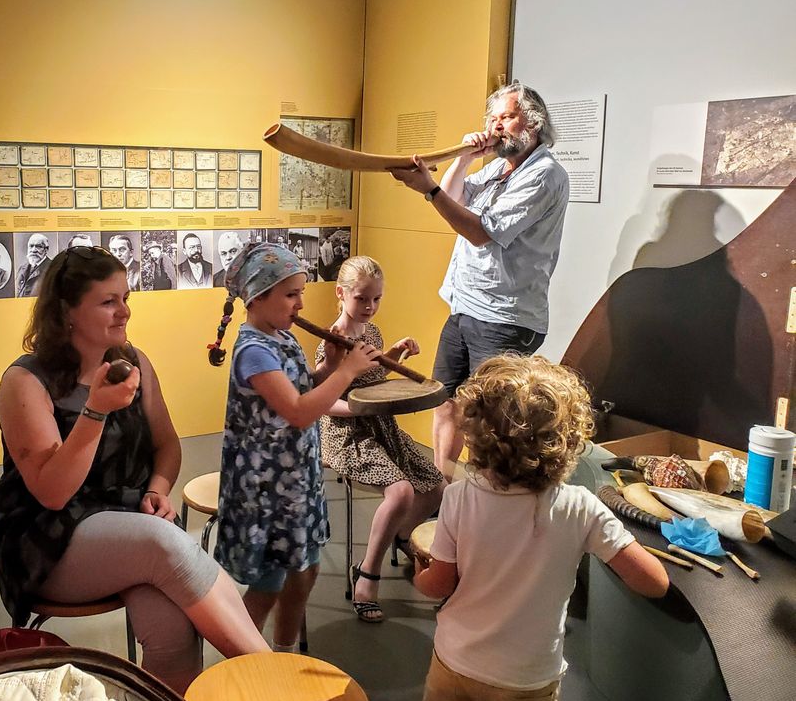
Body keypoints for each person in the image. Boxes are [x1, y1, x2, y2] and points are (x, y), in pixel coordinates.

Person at [0, 246, 269, 693]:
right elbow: (52, 493)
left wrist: (158, 488)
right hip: (47, 540)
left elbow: (167, 445)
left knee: (173, 627)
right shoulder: (25, 382)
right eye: (108, 301)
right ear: (66, 313)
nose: (124, 312)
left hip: (130, 525)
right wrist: (94, 413)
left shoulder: (133, 361)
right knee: (161, 542)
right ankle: (269, 676)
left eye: (125, 298)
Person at [413, 354, 668, 701]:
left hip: (457, 662)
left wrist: (419, 574)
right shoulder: (581, 507)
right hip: (528, 679)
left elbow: (439, 585)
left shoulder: (459, 496)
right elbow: (654, 582)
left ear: (477, 435)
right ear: (567, 441)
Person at [207, 243, 380, 652]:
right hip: (266, 486)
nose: (301, 304)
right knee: (269, 582)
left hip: (296, 478)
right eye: (291, 294)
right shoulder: (253, 350)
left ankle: (282, 651)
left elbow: (305, 388)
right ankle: (243, 657)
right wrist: (350, 372)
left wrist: (332, 365)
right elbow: (299, 412)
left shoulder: (281, 337)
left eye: (301, 292)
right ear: (257, 297)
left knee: (305, 569)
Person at [392, 82, 569, 480]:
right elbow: (453, 196)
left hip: (503, 317)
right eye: (492, 118)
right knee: (446, 403)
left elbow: (480, 231)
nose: (496, 125)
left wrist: (429, 188)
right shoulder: (498, 168)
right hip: (466, 306)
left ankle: (482, 499)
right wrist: (463, 159)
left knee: (488, 420)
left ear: (534, 123)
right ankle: (442, 490)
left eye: (506, 117)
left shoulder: (543, 174)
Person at [315, 256, 444, 623]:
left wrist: (393, 355)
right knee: (402, 491)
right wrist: (359, 412)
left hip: (381, 427)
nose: (369, 307)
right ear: (341, 295)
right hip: (346, 434)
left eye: (376, 299)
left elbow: (370, 373)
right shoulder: (331, 343)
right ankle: (368, 575)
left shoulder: (371, 333)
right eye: (361, 299)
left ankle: (401, 535)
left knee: (436, 486)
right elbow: (325, 400)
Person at [17, 233, 52, 297]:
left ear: (46, 250)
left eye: (38, 246)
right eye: (31, 246)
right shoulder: (22, 269)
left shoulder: (52, 268)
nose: (33, 250)